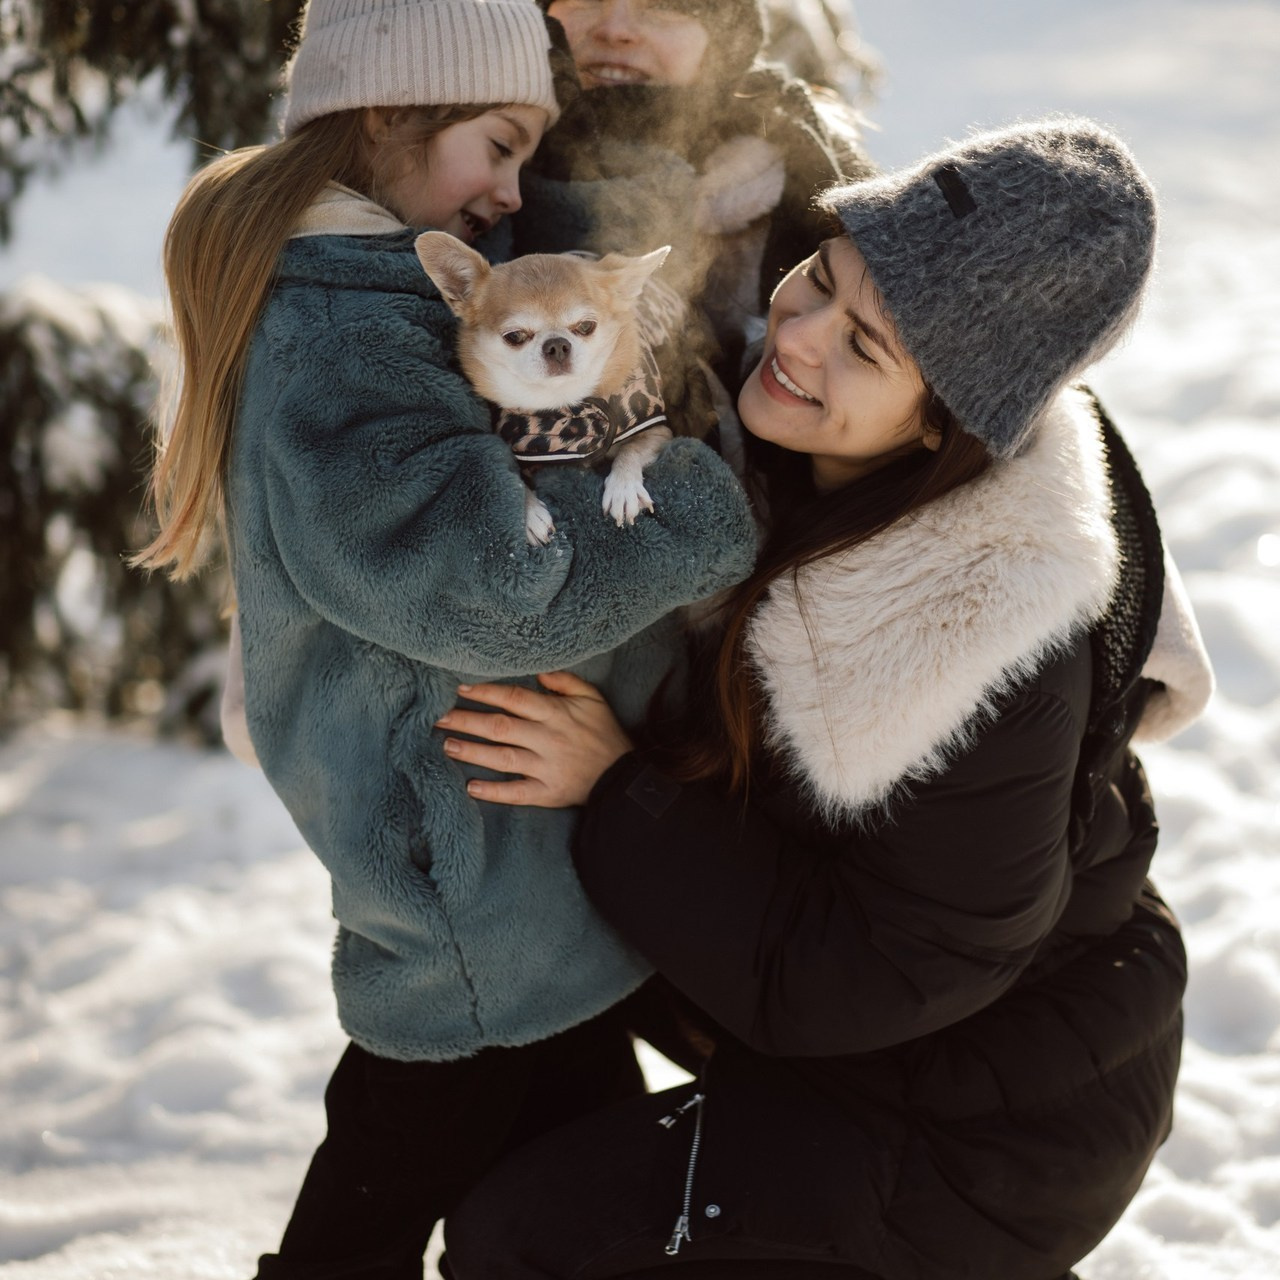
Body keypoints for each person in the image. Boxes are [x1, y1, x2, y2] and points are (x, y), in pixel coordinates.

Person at [431, 119, 1216, 1279]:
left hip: (985, 1126)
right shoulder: (778, 437)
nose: (792, 335)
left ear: (947, 416)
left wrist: (618, 792)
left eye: (862, 344)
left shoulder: (984, 641)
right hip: (857, 1023)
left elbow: (869, 971)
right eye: (818, 278)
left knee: (520, 1245)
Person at [133, 1, 756, 1276]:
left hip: (523, 883)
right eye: (498, 146)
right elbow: (494, 589)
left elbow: (549, 305)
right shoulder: (341, 340)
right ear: (387, 120)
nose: (510, 191)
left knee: (564, 1212)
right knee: (375, 1204)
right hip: (462, 895)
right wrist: (694, 505)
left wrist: (608, 205)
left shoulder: (384, 280)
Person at [521, 0, 877, 388]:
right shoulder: (461, 171)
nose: (615, 28)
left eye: (663, 5)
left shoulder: (804, 186)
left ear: (723, 41)